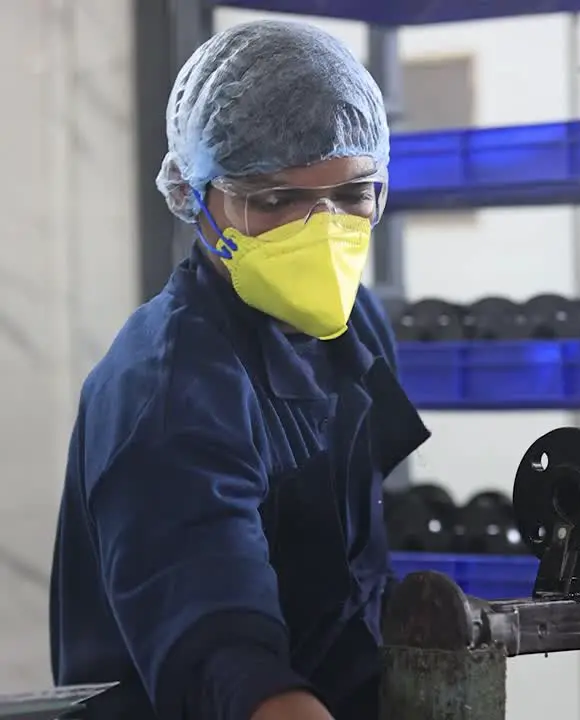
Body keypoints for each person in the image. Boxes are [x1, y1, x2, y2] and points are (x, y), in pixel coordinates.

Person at [48, 19, 429, 720]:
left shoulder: (353, 325)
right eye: (277, 201)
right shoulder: (167, 388)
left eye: (352, 195)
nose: (322, 232)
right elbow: (225, 660)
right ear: (196, 198)